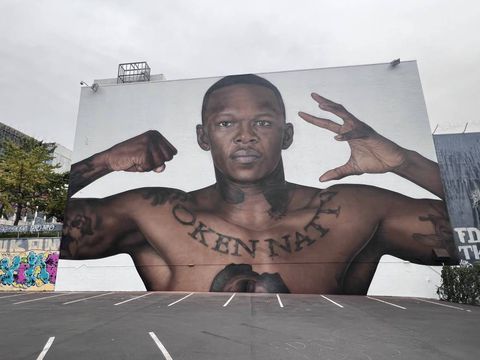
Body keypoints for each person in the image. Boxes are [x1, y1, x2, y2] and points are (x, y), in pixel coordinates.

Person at [61, 74, 458, 294]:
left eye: (263, 123)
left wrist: (406, 163)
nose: (245, 136)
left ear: (286, 136)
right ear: (204, 137)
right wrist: (103, 161)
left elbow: (470, 233)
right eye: (226, 123)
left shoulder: (352, 211)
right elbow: (32, 232)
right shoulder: (154, 215)